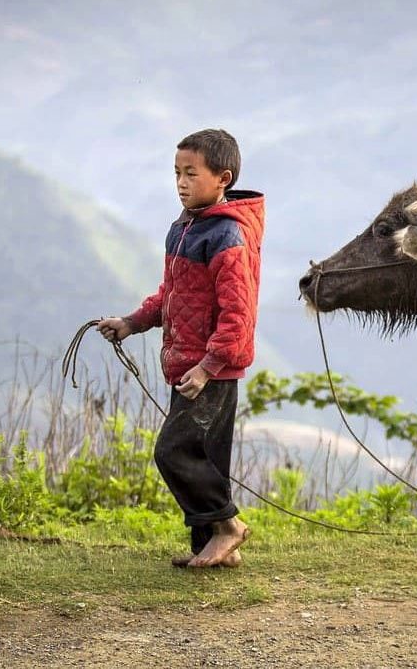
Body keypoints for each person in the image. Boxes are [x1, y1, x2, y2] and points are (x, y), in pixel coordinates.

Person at [98, 128, 264, 569]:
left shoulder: (226, 237)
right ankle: (213, 545)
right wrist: (131, 323)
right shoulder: (185, 229)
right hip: (187, 365)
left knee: (173, 451)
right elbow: (170, 295)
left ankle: (227, 528)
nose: (181, 182)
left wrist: (209, 367)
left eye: (191, 173)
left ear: (222, 178)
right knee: (206, 456)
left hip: (210, 370)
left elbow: (238, 314)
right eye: (176, 172)